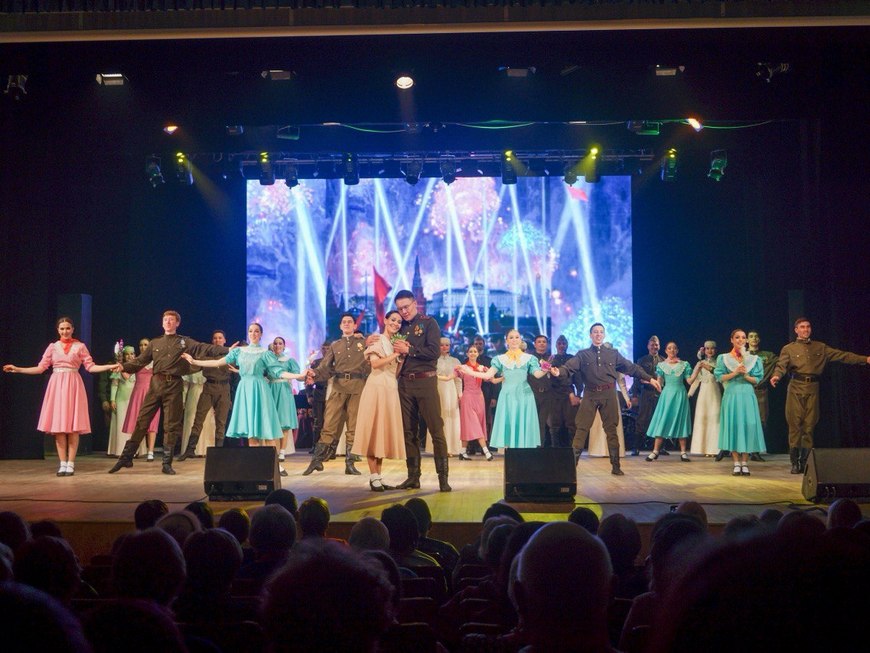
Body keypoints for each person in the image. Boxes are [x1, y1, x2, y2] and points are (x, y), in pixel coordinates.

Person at [108, 311, 231, 475]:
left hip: (174, 385)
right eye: (165, 319)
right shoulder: (155, 342)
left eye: (171, 320)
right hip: (156, 384)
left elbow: (204, 347)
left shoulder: (184, 341)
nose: (168, 322)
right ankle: (126, 457)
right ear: (162, 322)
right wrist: (123, 366)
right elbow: (140, 361)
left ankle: (167, 463)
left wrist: (227, 349)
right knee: (142, 421)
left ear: (177, 323)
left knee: (170, 426)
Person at [183, 323, 301, 476]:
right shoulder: (239, 351)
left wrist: (299, 376)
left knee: (267, 429)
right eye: (251, 331)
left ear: (261, 334)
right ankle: (256, 466)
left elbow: (279, 372)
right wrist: (194, 361)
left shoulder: (266, 353)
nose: (253, 333)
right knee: (251, 430)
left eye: (256, 331)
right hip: (245, 390)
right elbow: (217, 362)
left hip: (260, 390)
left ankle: (275, 465)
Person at [4, 316, 115, 477]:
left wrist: (109, 367)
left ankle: (71, 463)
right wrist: (18, 369)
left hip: (73, 385)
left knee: (73, 428)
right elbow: (40, 368)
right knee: (59, 428)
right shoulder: (52, 347)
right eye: (62, 328)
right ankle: (62, 463)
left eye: (68, 328)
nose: (65, 331)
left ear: (73, 329)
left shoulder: (80, 346)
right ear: (58, 330)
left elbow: (91, 367)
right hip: (56, 387)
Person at [552, 323, 660, 475]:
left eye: (601, 332)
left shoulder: (613, 354)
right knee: (581, 429)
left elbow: (632, 368)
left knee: (611, 430)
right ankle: (571, 467)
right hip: (590, 394)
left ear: (604, 335)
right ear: (590, 335)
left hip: (608, 394)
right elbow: (568, 367)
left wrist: (650, 379)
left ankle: (616, 466)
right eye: (595, 332)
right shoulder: (583, 354)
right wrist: (558, 372)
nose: (598, 334)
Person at [771, 317, 869, 474]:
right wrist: (776, 376)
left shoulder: (820, 347)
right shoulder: (789, 349)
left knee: (809, 426)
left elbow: (842, 355)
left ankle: (805, 462)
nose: (805, 329)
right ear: (796, 330)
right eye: (802, 327)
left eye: (808, 326)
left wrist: (865, 359)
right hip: (796, 388)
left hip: (813, 389)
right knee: (795, 426)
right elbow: (781, 365)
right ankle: (795, 463)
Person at [377, 290, 451, 492]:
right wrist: (366, 339)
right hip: (404, 384)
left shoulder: (429, 323)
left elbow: (434, 352)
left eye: (406, 307)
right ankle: (413, 477)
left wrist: (409, 350)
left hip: (426, 381)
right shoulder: (398, 327)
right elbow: (382, 340)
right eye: (400, 308)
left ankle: (443, 479)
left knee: (436, 430)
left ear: (415, 303)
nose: (403, 311)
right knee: (408, 432)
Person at [459, 329, 549, 450]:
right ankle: (511, 454)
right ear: (506, 341)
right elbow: (488, 375)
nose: (514, 340)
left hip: (524, 395)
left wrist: (545, 369)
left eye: (517, 337)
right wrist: (469, 371)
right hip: (507, 396)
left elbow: (537, 374)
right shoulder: (500, 359)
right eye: (511, 337)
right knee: (509, 425)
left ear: (520, 340)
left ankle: (523, 455)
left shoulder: (529, 358)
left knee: (523, 424)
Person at [303, 313, 368, 477]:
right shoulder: (335, 345)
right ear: (340, 326)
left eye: (350, 322)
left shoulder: (364, 343)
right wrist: (314, 374)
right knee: (329, 424)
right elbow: (326, 368)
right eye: (344, 322)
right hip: (338, 387)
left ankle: (350, 463)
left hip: (357, 387)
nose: (346, 324)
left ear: (355, 325)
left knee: (353, 426)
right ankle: (317, 460)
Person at [351, 310, 406, 491]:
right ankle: (373, 475)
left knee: (382, 433)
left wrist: (401, 358)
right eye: (393, 320)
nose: (396, 324)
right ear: (385, 320)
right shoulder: (377, 340)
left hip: (390, 388)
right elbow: (375, 364)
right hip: (376, 387)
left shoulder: (395, 343)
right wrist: (396, 354)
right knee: (373, 430)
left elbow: (395, 372)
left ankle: (378, 476)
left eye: (399, 322)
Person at [715, 329, 767, 476]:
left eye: (743, 337)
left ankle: (745, 462)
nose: (740, 340)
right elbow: (719, 377)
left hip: (747, 396)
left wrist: (746, 375)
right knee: (733, 426)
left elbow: (757, 379)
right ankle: (736, 463)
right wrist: (735, 373)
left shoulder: (753, 359)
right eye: (737, 337)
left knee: (748, 426)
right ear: (731, 340)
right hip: (732, 395)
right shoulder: (723, 358)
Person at [179, 329, 231, 460]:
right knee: (198, 419)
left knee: (221, 422)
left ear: (225, 340)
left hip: (224, 388)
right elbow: (193, 367)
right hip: (208, 387)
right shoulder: (206, 354)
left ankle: (218, 453)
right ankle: (190, 449)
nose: (217, 340)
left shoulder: (230, 355)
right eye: (215, 338)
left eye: (220, 338)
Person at [644, 341, 693, 463]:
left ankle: (683, 452)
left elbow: (690, 381)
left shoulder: (684, 364)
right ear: (666, 351)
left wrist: (698, 367)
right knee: (663, 420)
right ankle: (655, 451)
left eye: (674, 348)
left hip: (680, 395)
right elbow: (660, 383)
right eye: (669, 348)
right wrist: (650, 381)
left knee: (681, 421)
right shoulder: (661, 365)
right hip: (666, 395)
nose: (672, 350)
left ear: (677, 350)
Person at [121, 338, 160, 462]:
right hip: (138, 394)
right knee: (136, 423)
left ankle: (150, 451)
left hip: (152, 394)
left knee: (152, 423)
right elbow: (127, 376)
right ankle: (133, 450)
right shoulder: (137, 361)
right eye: (141, 345)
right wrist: (119, 364)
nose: (143, 347)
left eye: (146, 345)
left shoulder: (155, 361)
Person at [456, 344, 494, 461]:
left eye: (475, 351)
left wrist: (499, 376)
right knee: (474, 424)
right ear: (467, 354)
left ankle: (462, 452)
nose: (473, 353)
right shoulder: (463, 367)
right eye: (471, 351)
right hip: (467, 397)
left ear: (478, 354)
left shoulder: (481, 367)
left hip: (479, 398)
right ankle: (486, 451)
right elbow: (453, 377)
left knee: (474, 424)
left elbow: (490, 379)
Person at [746, 330, 778, 462]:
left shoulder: (767, 355)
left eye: (756, 336)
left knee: (761, 421)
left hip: (760, 391)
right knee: (746, 420)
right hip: (746, 390)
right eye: (751, 336)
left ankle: (755, 450)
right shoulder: (742, 355)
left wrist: (775, 375)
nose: (754, 338)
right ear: (747, 340)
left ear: (759, 339)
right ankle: (743, 449)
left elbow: (781, 362)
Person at [629, 335, 664, 456]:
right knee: (642, 419)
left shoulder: (663, 360)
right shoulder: (642, 360)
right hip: (646, 393)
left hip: (659, 394)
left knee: (660, 419)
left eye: (656, 344)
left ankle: (659, 448)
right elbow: (637, 378)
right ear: (648, 346)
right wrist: (634, 395)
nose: (654, 347)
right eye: (652, 344)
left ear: (659, 346)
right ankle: (636, 447)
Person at [269, 336, 301, 462]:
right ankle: (273, 450)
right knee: (271, 421)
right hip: (271, 389)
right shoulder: (268, 359)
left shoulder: (289, 360)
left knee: (284, 421)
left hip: (284, 391)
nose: (277, 345)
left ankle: (282, 451)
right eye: (275, 343)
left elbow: (297, 375)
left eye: (280, 343)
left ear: (284, 346)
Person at [689, 341, 722, 457]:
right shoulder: (700, 363)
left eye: (712, 348)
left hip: (715, 393)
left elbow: (722, 378)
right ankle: (702, 448)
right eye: (707, 348)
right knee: (703, 419)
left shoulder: (719, 363)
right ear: (704, 350)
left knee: (715, 418)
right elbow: (695, 380)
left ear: (715, 350)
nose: (710, 350)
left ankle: (714, 449)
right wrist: (689, 394)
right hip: (703, 394)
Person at [106, 345, 137, 457]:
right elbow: (114, 385)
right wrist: (112, 399)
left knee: (134, 424)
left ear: (135, 355)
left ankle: (133, 451)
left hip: (134, 399)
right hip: (121, 400)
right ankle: (120, 450)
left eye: (132, 354)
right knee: (121, 424)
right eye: (127, 354)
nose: (129, 356)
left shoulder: (138, 368)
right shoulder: (119, 368)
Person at [435, 337, 464, 456]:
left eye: (447, 345)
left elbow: (458, 380)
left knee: (451, 417)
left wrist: (460, 394)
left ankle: (452, 448)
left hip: (451, 391)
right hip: (437, 389)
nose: (444, 347)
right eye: (442, 345)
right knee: (439, 416)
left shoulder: (455, 361)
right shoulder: (433, 360)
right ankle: (440, 448)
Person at [549, 334, 578, 449]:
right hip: (554, 394)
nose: (561, 346)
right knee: (554, 424)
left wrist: (577, 394)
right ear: (556, 345)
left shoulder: (572, 359)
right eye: (559, 343)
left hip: (569, 394)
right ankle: (555, 450)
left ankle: (572, 450)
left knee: (571, 424)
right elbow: (550, 378)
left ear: (567, 345)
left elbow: (577, 378)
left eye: (564, 343)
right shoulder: (552, 359)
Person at [528, 334, 557, 446]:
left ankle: (540, 447)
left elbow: (556, 376)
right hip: (532, 394)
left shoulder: (552, 358)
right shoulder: (530, 359)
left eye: (544, 342)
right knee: (531, 421)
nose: (541, 344)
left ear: (547, 344)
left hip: (547, 394)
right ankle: (531, 446)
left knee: (543, 422)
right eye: (539, 342)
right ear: (535, 344)